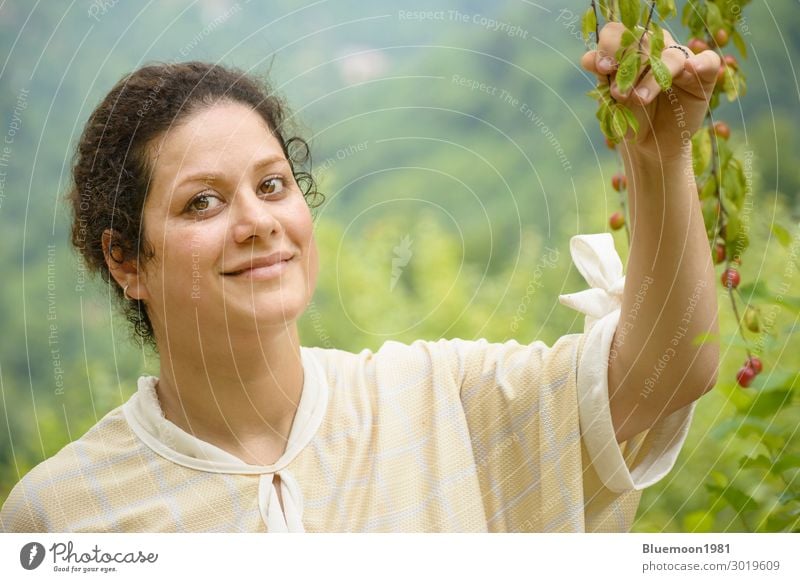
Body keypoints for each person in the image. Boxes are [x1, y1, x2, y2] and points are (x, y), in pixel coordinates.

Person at [1, 23, 720, 532]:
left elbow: (666, 372)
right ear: (127, 261)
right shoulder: (64, 513)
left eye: (274, 184)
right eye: (203, 202)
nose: (258, 221)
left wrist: (662, 158)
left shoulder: (438, 402)